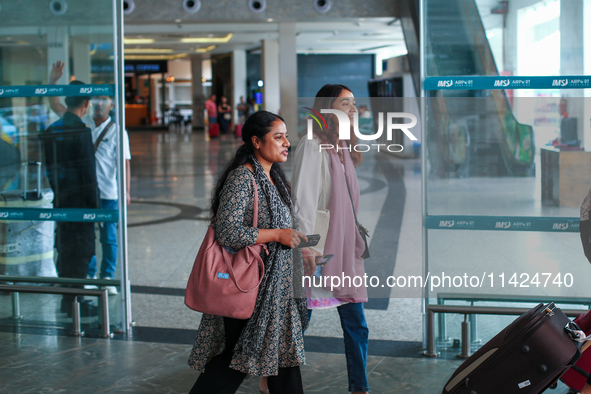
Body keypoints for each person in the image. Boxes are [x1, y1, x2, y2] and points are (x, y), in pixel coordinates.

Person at [187, 111, 312, 394]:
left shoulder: (272, 176)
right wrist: (278, 235)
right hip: (251, 286)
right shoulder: (243, 177)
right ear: (256, 141)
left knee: (280, 357)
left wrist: (299, 247)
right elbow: (227, 231)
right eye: (277, 137)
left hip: (274, 288)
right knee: (236, 359)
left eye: (286, 136)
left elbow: (279, 226)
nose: (286, 143)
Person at [290, 84, 370, 394]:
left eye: (354, 103)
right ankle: (272, 377)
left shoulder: (342, 146)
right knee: (298, 323)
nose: (353, 108)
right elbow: (303, 198)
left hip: (345, 248)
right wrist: (306, 246)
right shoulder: (314, 143)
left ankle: (360, 387)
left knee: (356, 322)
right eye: (345, 102)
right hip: (320, 249)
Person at [48, 62, 132, 295]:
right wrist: (53, 81)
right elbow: (57, 105)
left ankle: (107, 275)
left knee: (108, 237)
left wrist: (126, 191)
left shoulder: (117, 130)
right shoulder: (82, 125)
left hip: (107, 193)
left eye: (105, 100)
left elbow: (124, 164)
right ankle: (90, 273)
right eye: (96, 100)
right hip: (86, 193)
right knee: (87, 236)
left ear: (113, 105)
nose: (99, 103)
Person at [42, 80, 100, 316]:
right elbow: (88, 174)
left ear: (67, 101)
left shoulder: (51, 131)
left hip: (62, 201)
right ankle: (74, 302)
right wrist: (95, 210)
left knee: (66, 250)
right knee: (82, 252)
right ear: (86, 104)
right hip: (81, 204)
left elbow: (50, 170)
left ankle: (69, 300)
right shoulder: (81, 132)